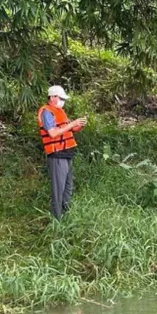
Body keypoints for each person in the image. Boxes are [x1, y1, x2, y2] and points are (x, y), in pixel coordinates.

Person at [39, 85, 87, 219]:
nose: (62, 101)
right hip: (57, 154)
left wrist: (78, 126)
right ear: (53, 97)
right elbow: (53, 133)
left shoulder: (60, 111)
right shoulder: (46, 112)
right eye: (61, 98)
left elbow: (68, 130)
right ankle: (56, 219)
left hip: (66, 153)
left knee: (68, 186)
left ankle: (67, 214)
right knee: (58, 189)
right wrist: (72, 124)